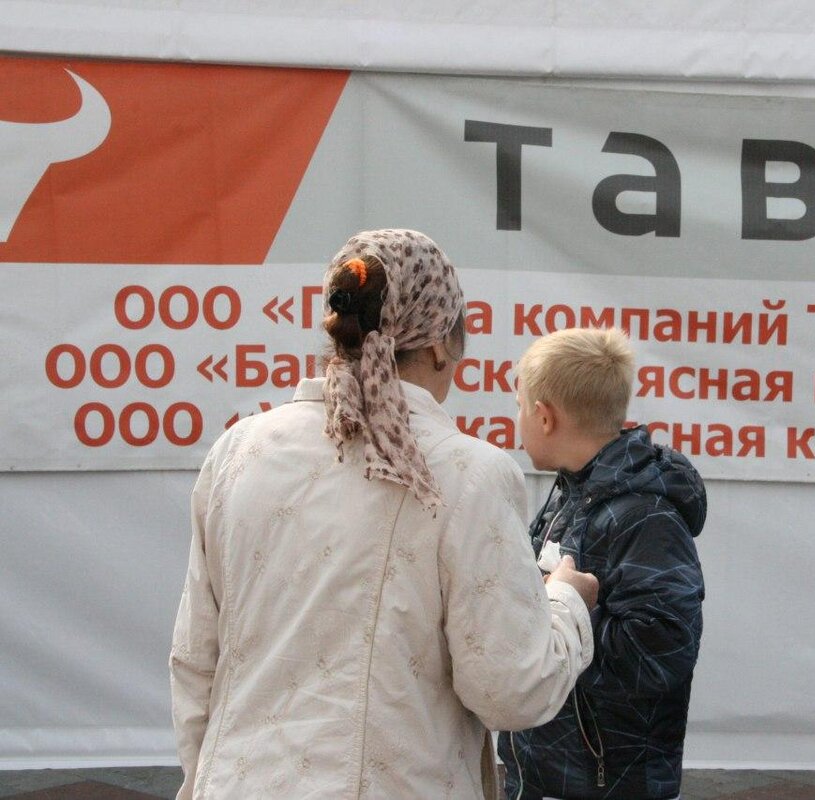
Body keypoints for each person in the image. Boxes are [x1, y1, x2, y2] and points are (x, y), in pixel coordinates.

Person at [169, 229, 599, 800]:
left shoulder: (238, 451)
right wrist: (566, 602)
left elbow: (194, 661)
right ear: (441, 344)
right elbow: (511, 688)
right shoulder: (470, 473)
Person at [498, 328, 706, 800]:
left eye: (518, 406)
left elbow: (663, 652)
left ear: (544, 416)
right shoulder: (573, 495)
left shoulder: (647, 517)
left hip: (605, 784)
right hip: (543, 774)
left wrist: (569, 608)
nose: (517, 420)